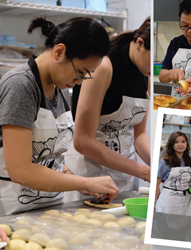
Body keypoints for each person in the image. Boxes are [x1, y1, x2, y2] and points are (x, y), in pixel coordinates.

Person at [0, 17, 119, 215]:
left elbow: (50, 156)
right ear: (59, 51)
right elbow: (20, 170)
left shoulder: (61, 87)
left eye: (87, 75)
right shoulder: (20, 86)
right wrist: (85, 181)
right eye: (80, 72)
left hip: (49, 208)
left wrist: (75, 181)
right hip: (14, 210)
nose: (81, 82)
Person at [64, 17, 151, 202]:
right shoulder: (103, 66)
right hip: (90, 173)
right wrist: (143, 171)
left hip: (126, 176)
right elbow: (82, 141)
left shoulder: (147, 71)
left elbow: (140, 134)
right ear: (140, 43)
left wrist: (157, 167)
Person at [155, 131, 191, 215]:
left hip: (184, 200)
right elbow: (156, 183)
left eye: (183, 141)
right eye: (176, 142)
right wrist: (154, 202)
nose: (180, 144)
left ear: (187, 144)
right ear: (171, 144)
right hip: (169, 201)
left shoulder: (188, 161)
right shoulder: (165, 161)